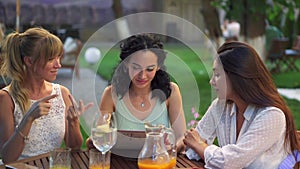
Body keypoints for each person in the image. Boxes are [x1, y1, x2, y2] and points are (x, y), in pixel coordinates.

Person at [183, 41, 299, 168]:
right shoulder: (220, 106)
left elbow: (229, 162)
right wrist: (184, 145)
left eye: (217, 75)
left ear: (237, 77)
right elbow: (193, 142)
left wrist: (201, 146)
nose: (211, 82)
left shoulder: (272, 116)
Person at [0, 27, 93, 163]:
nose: (58, 65)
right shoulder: (6, 98)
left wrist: (72, 122)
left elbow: (74, 147)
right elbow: (8, 158)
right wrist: (28, 119)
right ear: (29, 61)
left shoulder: (62, 93)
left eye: (59, 57)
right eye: (51, 59)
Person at [86, 33, 186, 157]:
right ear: (126, 64)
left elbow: (181, 136)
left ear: (158, 67)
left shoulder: (171, 91)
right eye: (136, 68)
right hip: (120, 162)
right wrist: (96, 139)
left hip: (157, 162)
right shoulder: (111, 94)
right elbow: (101, 131)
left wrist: (173, 147)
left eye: (149, 69)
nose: (142, 76)